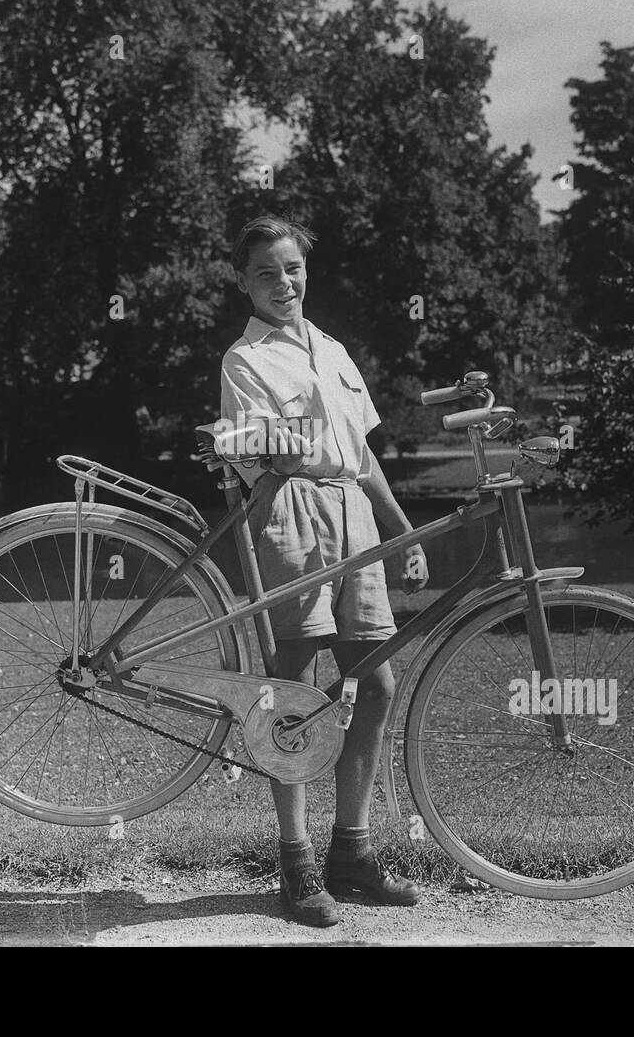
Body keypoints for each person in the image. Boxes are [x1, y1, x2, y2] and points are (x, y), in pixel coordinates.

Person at [220, 214, 429, 927]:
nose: (285, 282)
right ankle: (296, 860)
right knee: (294, 691)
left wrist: (402, 533)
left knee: (375, 679)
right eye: (267, 272)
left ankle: (354, 852)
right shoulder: (244, 361)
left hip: (353, 514)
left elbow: (363, 457)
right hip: (289, 512)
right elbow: (254, 453)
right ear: (242, 282)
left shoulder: (335, 349)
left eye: (292, 268)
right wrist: (281, 441)